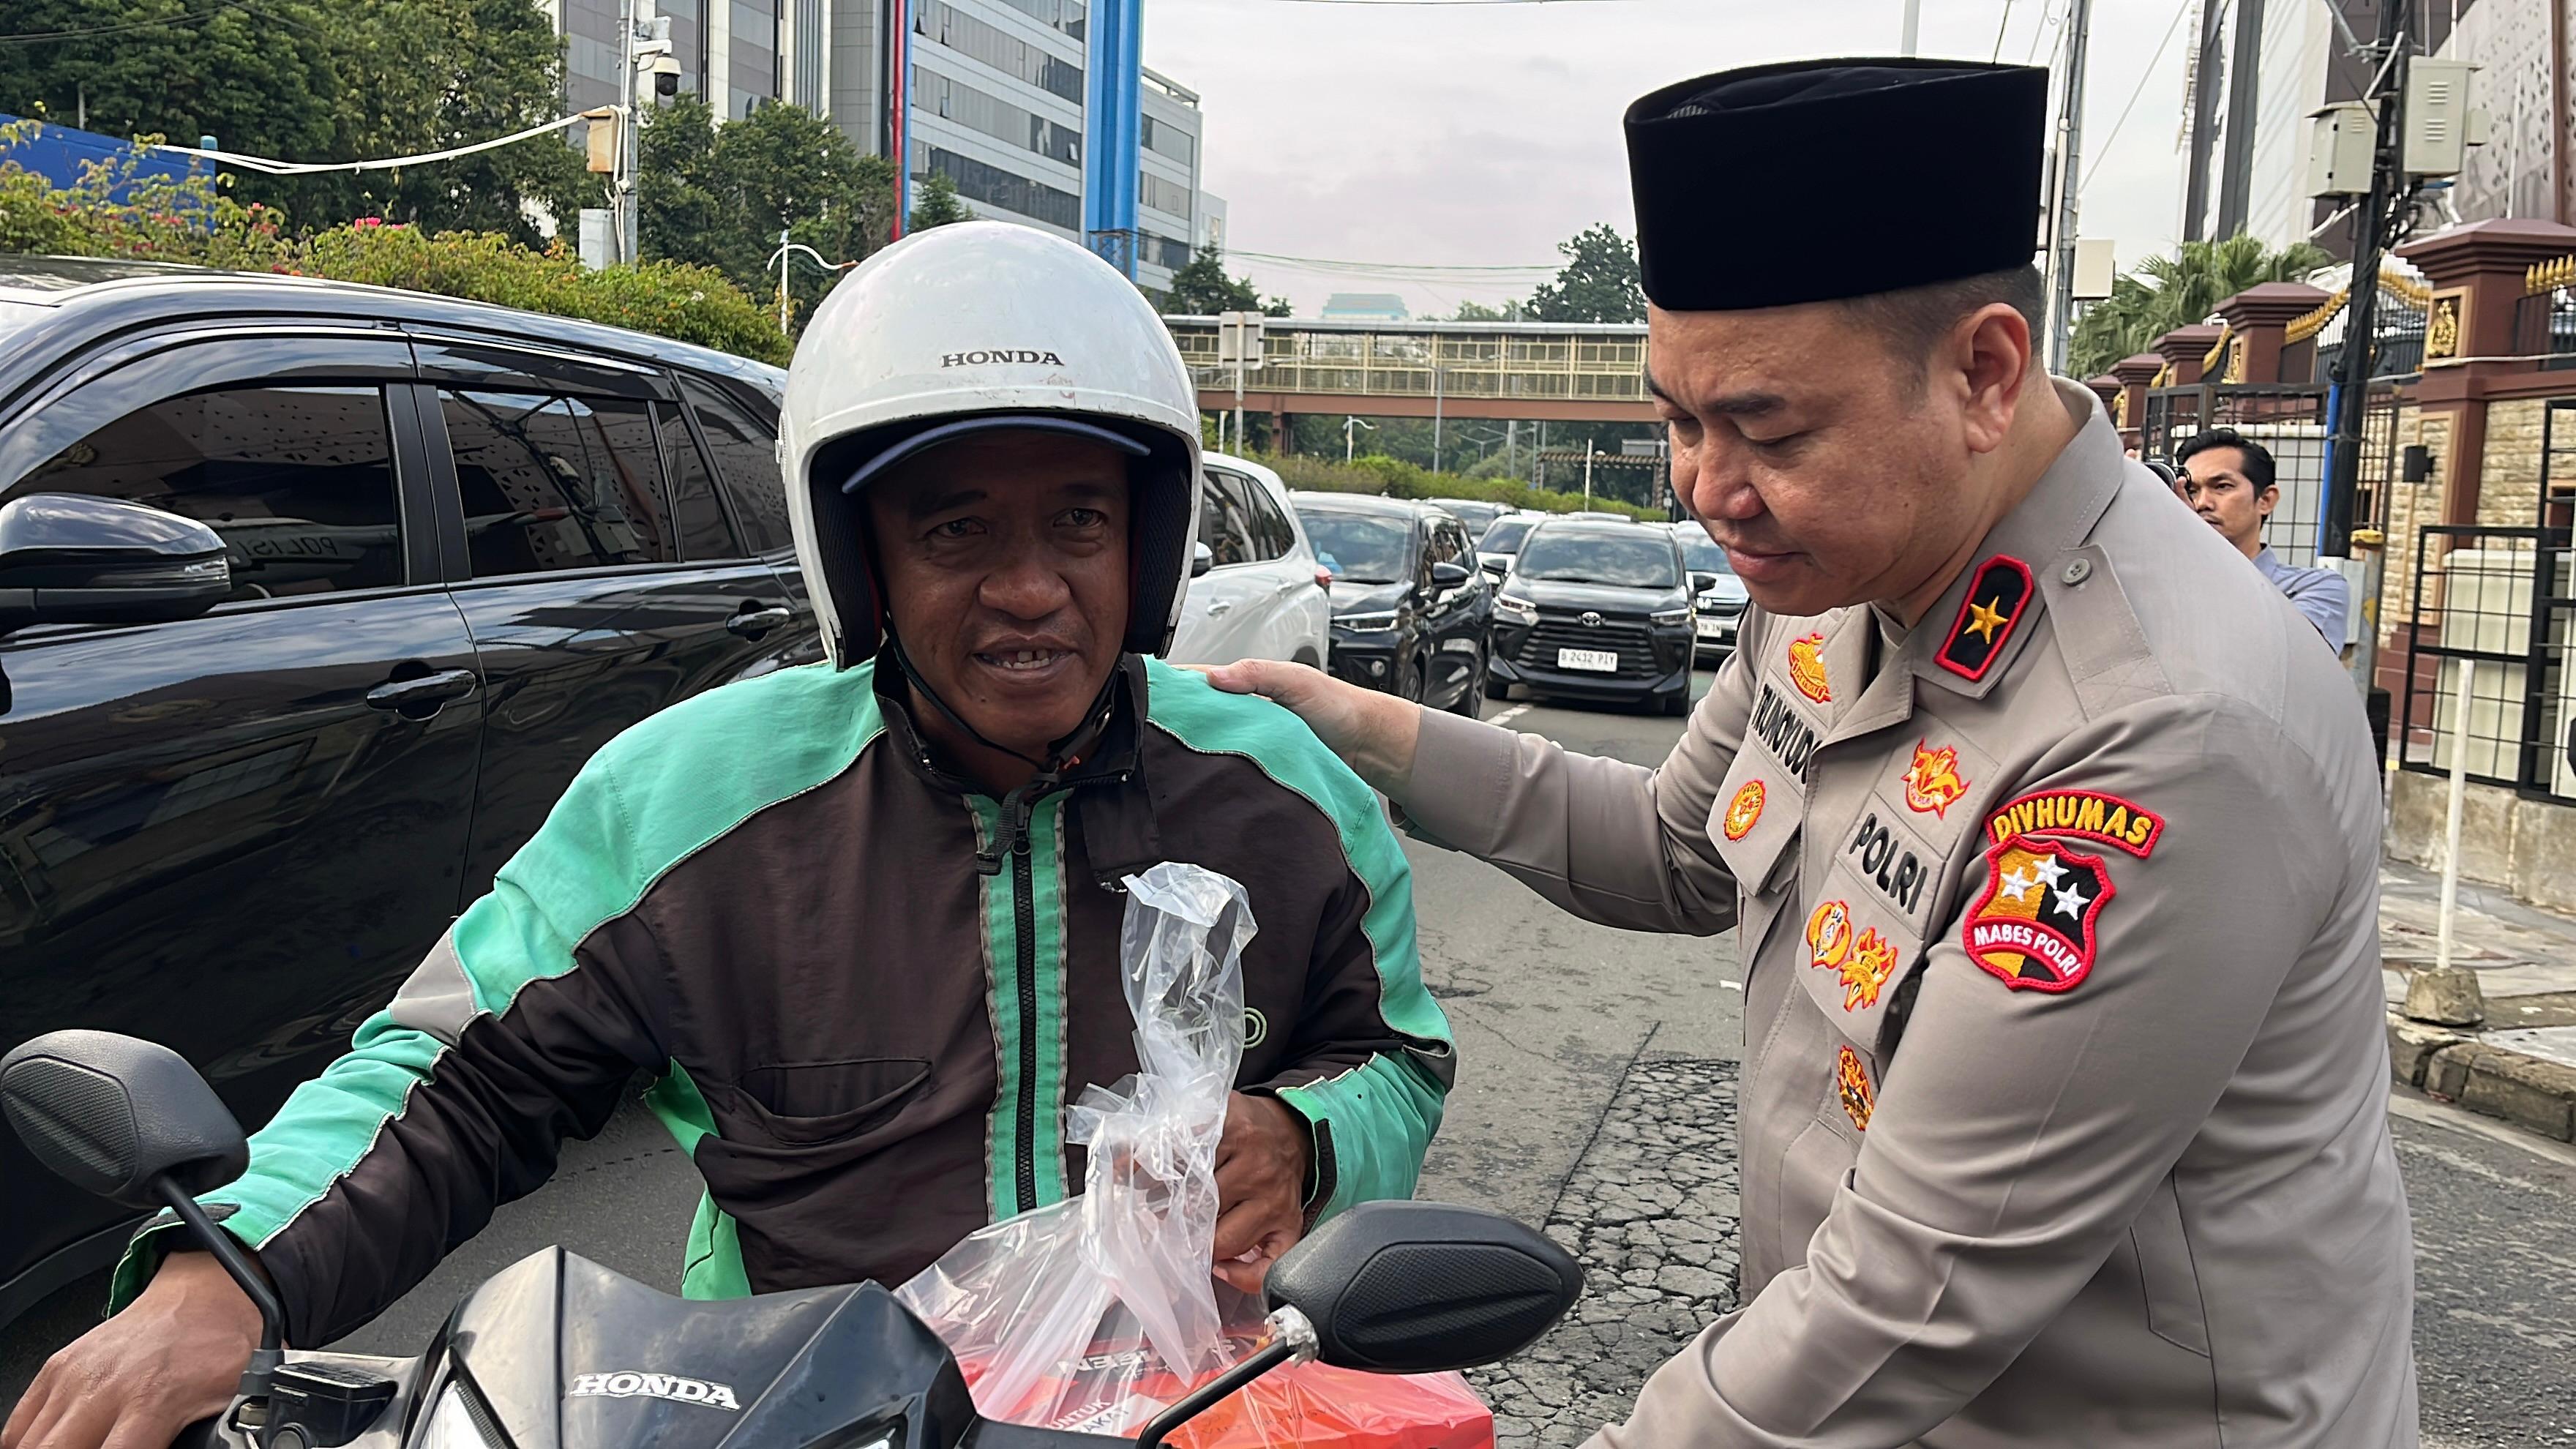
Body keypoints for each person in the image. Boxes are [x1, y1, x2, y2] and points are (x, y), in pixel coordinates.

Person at [4, 223, 1454, 1449]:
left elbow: (1394, 1052)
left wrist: (1305, 1138)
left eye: (1077, 522)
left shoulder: (1280, 792)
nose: (1029, 589)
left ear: (1141, 546)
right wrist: (218, 1282)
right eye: (956, 534)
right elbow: (453, 1081)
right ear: (864, 560)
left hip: (1189, 1407)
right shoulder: (688, 799)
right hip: (788, 1409)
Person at [1210, 59, 2414, 1448]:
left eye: (1767, 429)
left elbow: (1914, 1293)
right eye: (1676, 418)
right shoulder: (1847, 573)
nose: (1709, 488)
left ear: (1982, 372)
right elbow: (1676, 847)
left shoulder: (2162, 731)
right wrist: (1358, 728)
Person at [2178, 425, 2352, 649]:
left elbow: (2284, 658)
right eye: (2191, 491)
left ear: (2266, 500)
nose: (2202, 503)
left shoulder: (2314, 588)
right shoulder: (2164, 579)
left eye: (2222, 487)